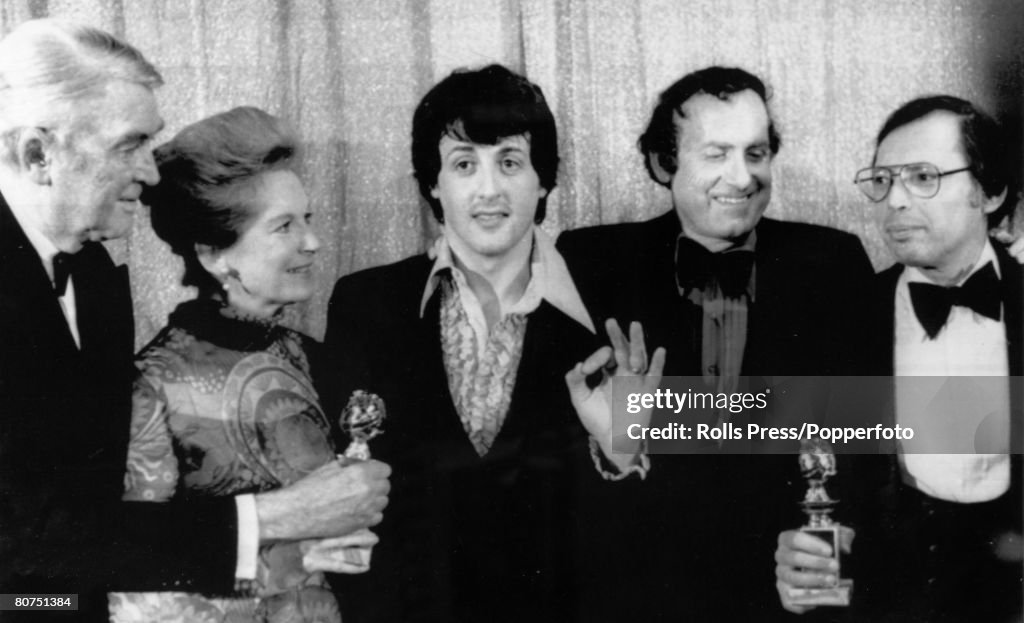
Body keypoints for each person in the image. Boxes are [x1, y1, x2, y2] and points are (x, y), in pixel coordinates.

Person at [0, 20, 388, 621]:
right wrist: (282, 521)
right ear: (37, 155)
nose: (151, 173)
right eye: (129, 144)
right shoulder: (154, 369)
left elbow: (92, 515)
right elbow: (31, 561)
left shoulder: (97, 280)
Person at [321, 64, 662, 623]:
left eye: (510, 161)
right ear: (433, 183)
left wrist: (621, 451)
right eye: (463, 164)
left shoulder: (614, 320)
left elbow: (654, 547)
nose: (488, 189)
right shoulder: (365, 305)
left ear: (543, 180)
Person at [557, 66, 876, 621]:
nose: (743, 176)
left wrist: (842, 544)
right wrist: (616, 450)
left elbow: (873, 441)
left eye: (756, 153)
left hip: (794, 602)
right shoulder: (589, 265)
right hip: (641, 596)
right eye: (716, 154)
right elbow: (547, 464)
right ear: (663, 163)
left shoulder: (836, 262)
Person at [108, 106, 382, 622]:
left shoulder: (321, 360)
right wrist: (290, 560)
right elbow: (131, 587)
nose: (313, 242)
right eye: (283, 226)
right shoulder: (152, 385)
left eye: (308, 219)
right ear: (214, 254)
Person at [775, 96, 1022, 623]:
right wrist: (795, 562)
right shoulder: (837, 320)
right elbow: (798, 482)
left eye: (922, 176)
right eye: (883, 181)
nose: (895, 201)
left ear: (991, 190)